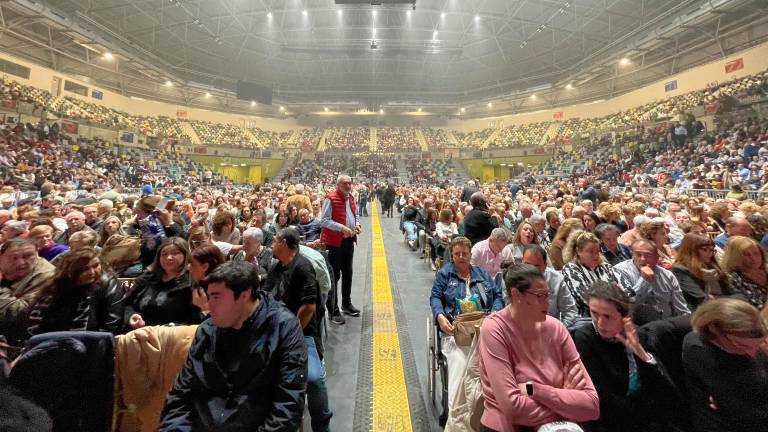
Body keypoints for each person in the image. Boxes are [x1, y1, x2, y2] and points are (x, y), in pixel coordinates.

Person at [160, 261, 308, 431]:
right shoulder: (207, 331)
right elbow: (179, 394)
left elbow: (288, 403)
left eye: (216, 297)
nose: (209, 305)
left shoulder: (283, 327)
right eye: (209, 296)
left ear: (244, 295)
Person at [478, 263, 599, 432]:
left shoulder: (557, 328)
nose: (547, 303)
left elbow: (591, 405)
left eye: (547, 295)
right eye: (539, 296)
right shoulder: (494, 329)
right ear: (516, 295)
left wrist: (534, 389)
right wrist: (566, 402)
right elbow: (513, 408)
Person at [573, 280, 682, 432]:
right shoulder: (585, 338)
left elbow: (665, 389)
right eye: (594, 313)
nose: (599, 322)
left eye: (607, 316)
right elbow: (604, 397)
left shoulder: (639, 335)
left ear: (624, 318)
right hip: (612, 421)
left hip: (649, 417)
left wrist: (640, 352)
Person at [262, 228, 332, 432]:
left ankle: (322, 425)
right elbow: (265, 295)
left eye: (275, 241)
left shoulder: (302, 267)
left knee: (314, 380)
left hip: (302, 333)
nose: (272, 245)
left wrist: (291, 333)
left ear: (284, 242)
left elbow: (309, 307)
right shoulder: (276, 268)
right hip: (273, 332)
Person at [430, 236, 504, 408]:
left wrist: (493, 315)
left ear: (471, 254)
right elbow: (435, 297)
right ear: (452, 255)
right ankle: (457, 412)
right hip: (457, 333)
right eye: (457, 254)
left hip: (483, 330)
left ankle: (489, 407)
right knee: (461, 364)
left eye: (465, 253)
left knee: (493, 364)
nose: (461, 257)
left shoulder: (483, 274)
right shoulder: (444, 275)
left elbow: (498, 296)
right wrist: (440, 316)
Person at [682, 298, 768, 432]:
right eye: (742, 346)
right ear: (714, 329)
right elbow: (742, 411)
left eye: (756, 346)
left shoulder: (747, 343)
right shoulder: (699, 349)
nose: (751, 354)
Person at [27, 249, 124, 337]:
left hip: (91, 341)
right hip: (54, 341)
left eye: (96, 266)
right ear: (70, 271)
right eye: (84, 269)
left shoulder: (107, 283)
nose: (92, 272)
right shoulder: (57, 287)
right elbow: (38, 321)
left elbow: (111, 322)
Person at [121, 237, 204, 331]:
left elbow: (195, 321)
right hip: (139, 334)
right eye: (164, 254)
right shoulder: (146, 278)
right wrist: (131, 316)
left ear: (185, 255)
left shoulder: (192, 284)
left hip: (173, 338)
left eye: (175, 253)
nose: (168, 257)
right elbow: (126, 304)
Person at [613, 239, 690, 325]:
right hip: (640, 328)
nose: (642, 259)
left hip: (668, 326)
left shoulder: (668, 275)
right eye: (638, 254)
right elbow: (627, 305)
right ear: (632, 254)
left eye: (648, 255)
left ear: (657, 257)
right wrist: (644, 280)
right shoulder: (619, 271)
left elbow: (681, 309)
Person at [320, 174, 362, 324]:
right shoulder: (330, 199)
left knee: (348, 273)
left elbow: (355, 215)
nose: (348, 186)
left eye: (350, 183)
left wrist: (357, 224)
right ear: (338, 185)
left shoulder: (351, 198)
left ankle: (346, 304)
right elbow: (324, 221)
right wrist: (342, 228)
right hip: (334, 242)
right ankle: (333, 310)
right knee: (334, 276)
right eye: (345, 183)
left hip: (348, 241)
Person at [0, 238, 56, 345]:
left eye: (28, 256)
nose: (21, 263)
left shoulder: (47, 276)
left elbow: (19, 314)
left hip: (18, 340)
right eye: (14, 258)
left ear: (37, 254)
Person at [561, 231, 624, 317]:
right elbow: (585, 299)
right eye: (591, 252)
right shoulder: (571, 269)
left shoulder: (605, 267)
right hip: (589, 319)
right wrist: (616, 294)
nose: (596, 256)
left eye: (597, 251)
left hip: (617, 313)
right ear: (578, 251)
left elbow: (628, 292)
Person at [521, 244, 578, 327]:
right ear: (522, 262)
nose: (531, 269)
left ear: (545, 265)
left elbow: (570, 310)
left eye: (536, 265)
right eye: (527, 264)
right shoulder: (513, 279)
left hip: (551, 329)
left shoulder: (557, 279)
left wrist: (560, 330)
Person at [671, 233, 729, 311]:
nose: (710, 254)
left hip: (722, 304)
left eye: (712, 250)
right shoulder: (679, 270)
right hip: (702, 312)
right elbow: (701, 298)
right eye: (705, 249)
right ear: (691, 250)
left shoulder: (711, 265)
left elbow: (728, 289)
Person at [720, 236, 768, 310]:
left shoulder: (766, 269)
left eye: (756, 253)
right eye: (746, 255)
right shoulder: (732, 279)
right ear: (735, 257)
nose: (753, 259)